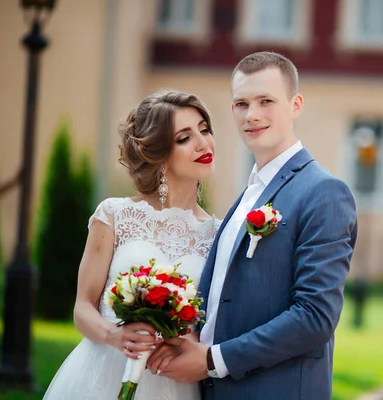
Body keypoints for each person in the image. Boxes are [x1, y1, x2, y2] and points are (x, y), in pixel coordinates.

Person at [147, 52, 358, 399]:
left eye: (266, 101)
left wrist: (212, 360)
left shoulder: (324, 192)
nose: (253, 115)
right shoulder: (246, 196)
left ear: (295, 105)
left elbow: (315, 317)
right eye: (242, 103)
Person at [43, 89, 219, 399]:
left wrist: (189, 341)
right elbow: (83, 307)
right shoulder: (114, 215)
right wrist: (115, 335)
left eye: (204, 129)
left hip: (176, 382)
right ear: (159, 155)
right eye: (184, 138)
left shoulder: (219, 234)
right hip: (102, 373)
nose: (203, 143)